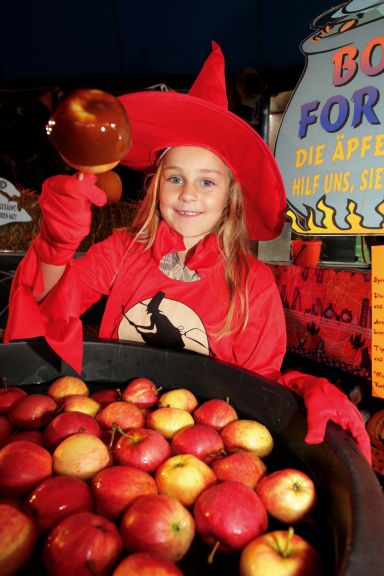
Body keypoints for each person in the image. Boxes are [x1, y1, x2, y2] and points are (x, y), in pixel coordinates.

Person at [4, 42, 371, 462]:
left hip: (205, 459)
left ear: (231, 194)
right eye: (175, 178)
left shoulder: (254, 283)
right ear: (156, 185)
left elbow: (259, 391)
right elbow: (45, 310)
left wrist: (303, 390)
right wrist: (54, 247)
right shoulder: (121, 250)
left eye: (207, 182)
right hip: (112, 439)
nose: (188, 195)